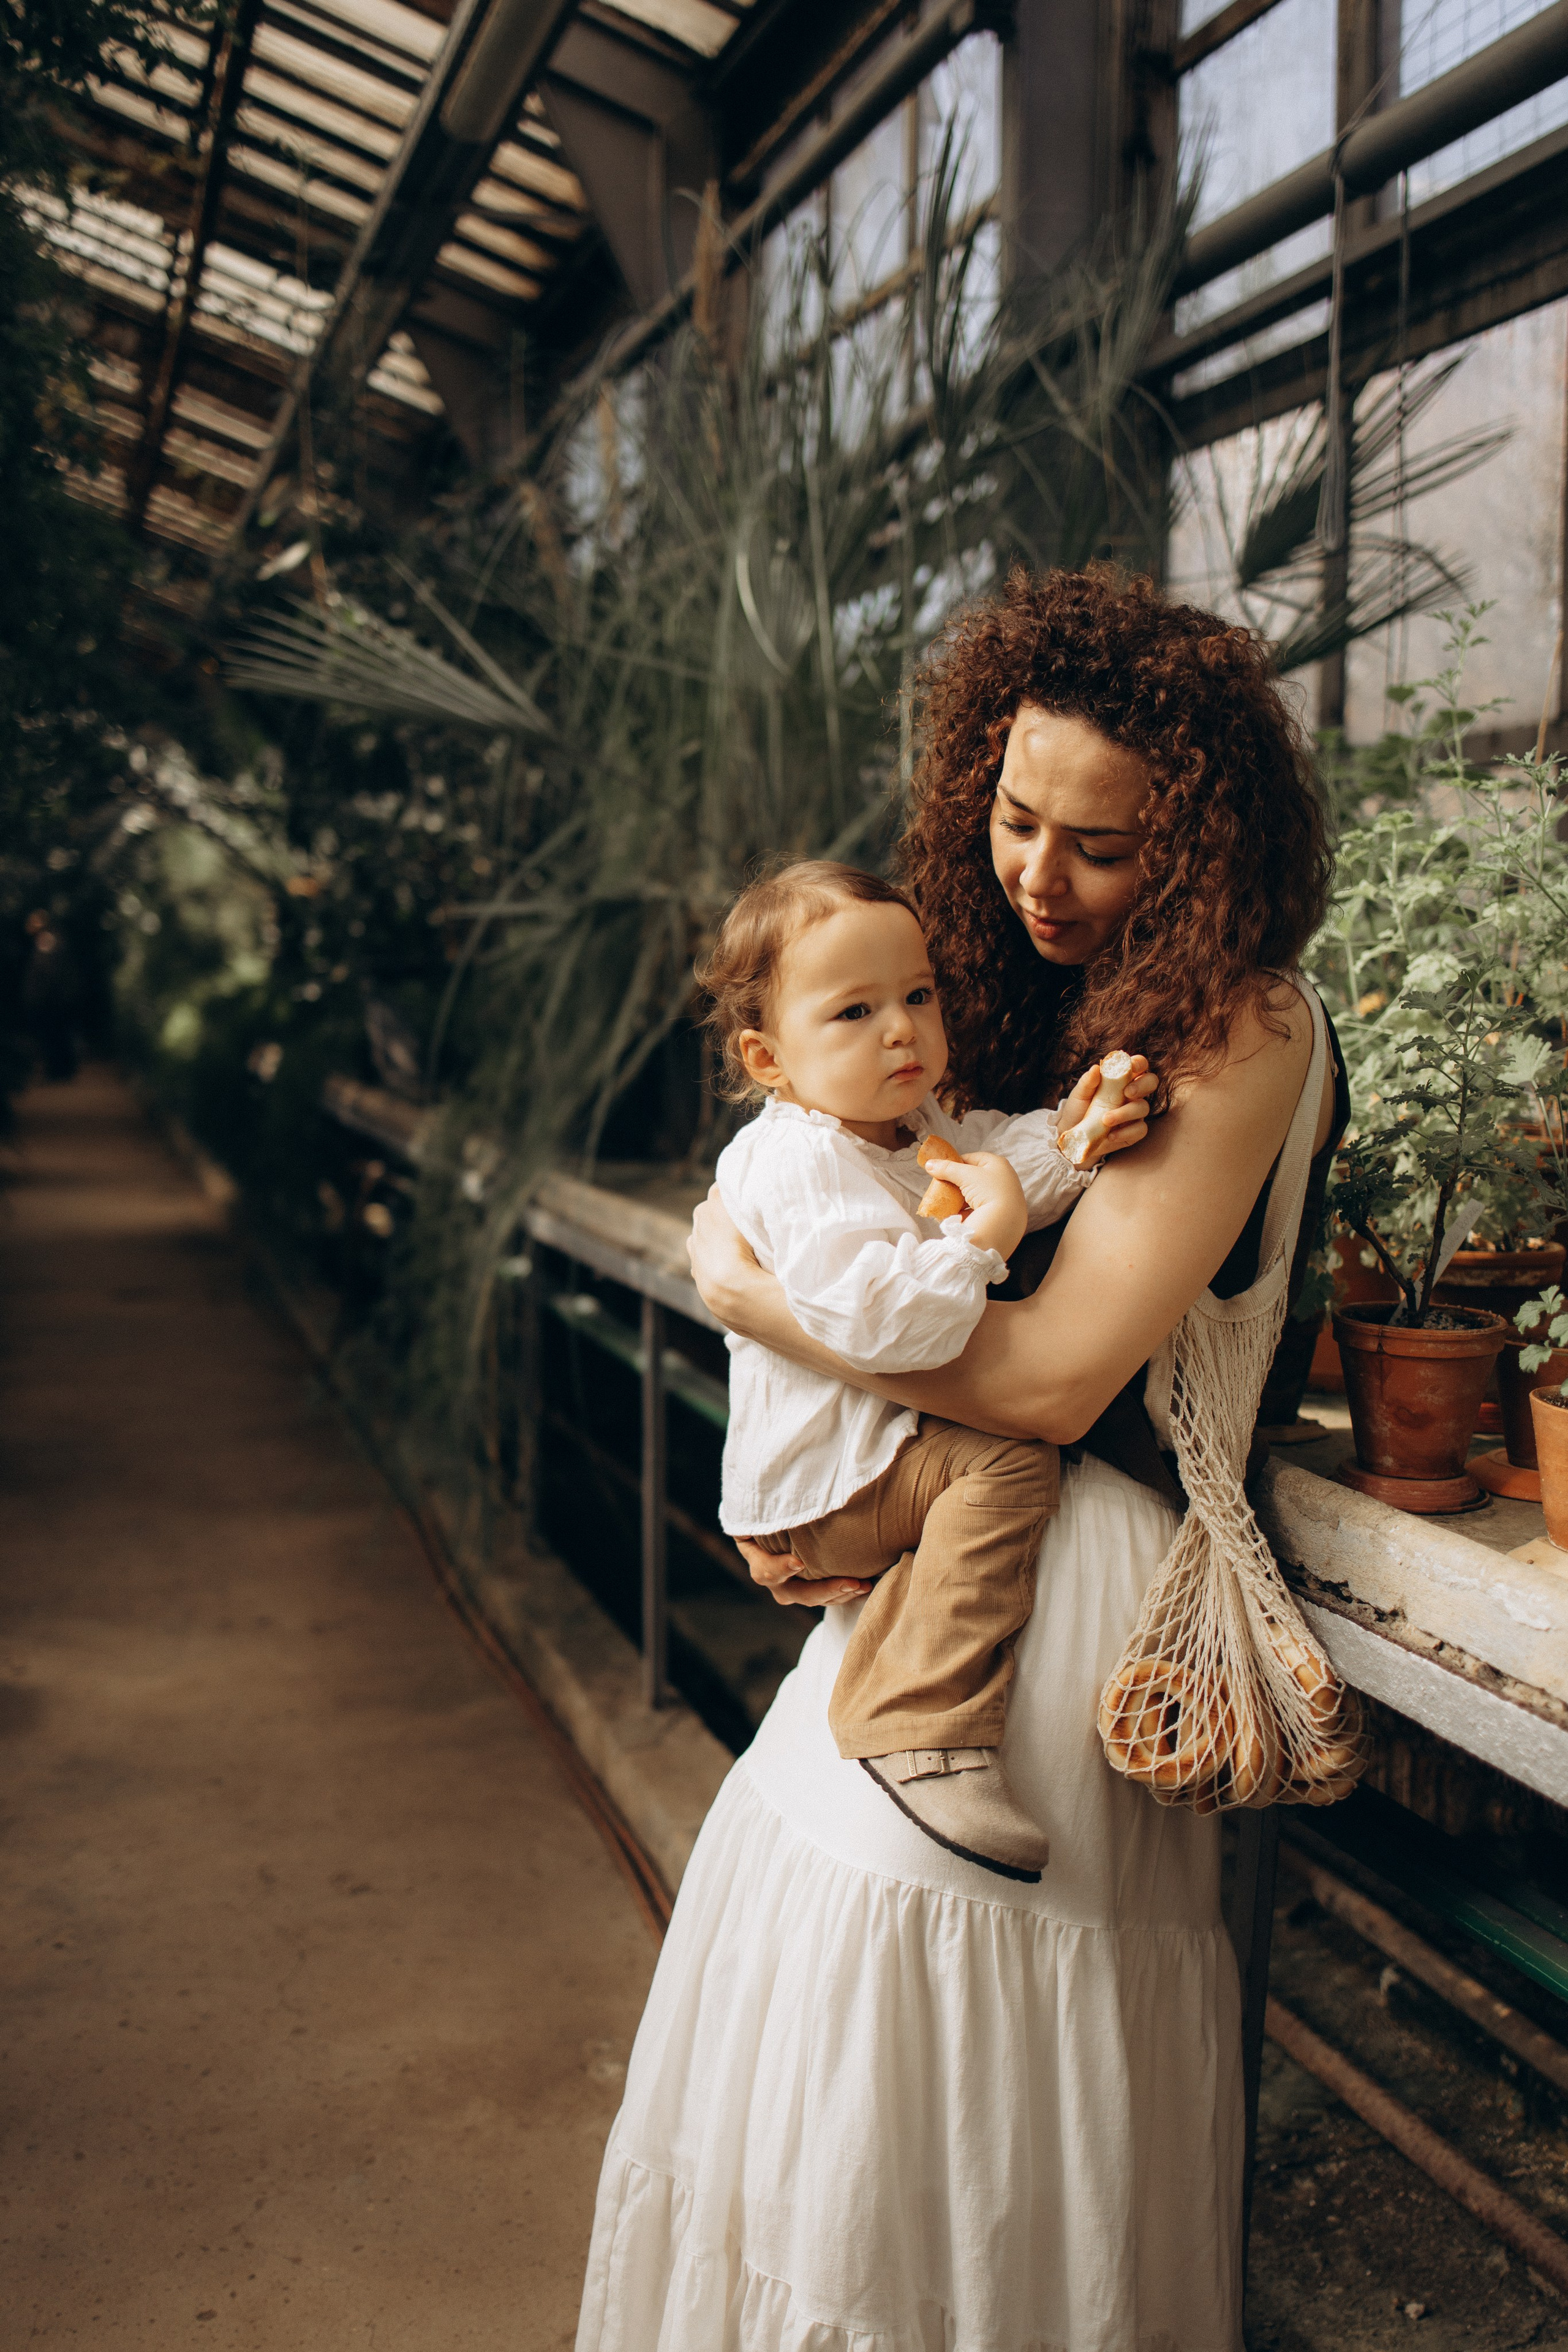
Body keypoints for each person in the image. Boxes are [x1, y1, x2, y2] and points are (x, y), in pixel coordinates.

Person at [576, 566, 1343, 2352]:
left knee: (944, 2073)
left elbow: (1059, 1381)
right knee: (831, 2053)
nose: (1036, 877)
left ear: (1199, 844)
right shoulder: (988, 995)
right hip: (943, 1575)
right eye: (1010, 818)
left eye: (1101, 845)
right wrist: (760, 1262)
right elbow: (825, 1182)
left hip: (1071, 1594)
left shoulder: (1240, 1027)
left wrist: (752, 1305)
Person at [700, 857, 1155, 1879]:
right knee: (1007, 1464)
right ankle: (918, 1723)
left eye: (917, 995)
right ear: (768, 1058)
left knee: (993, 1459)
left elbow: (988, 1162)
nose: (901, 1031)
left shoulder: (904, 1128)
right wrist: (986, 1239)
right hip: (823, 1483)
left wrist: (1073, 1142)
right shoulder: (800, 1164)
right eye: (853, 1012)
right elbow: (883, 1325)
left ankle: (896, 1683)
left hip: (865, 1457)